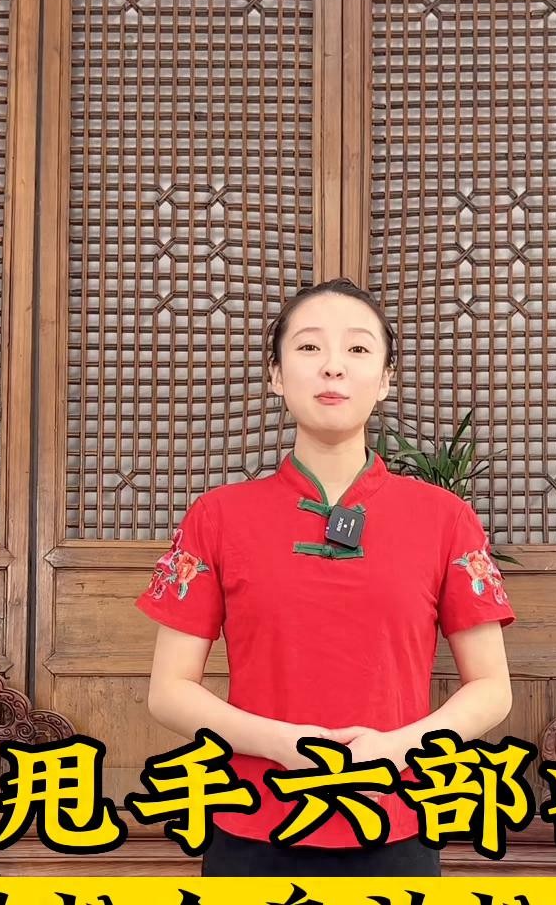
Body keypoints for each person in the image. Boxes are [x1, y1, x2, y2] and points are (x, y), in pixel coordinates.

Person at [136, 277, 515, 876]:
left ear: (385, 379)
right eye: (309, 347)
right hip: (252, 822)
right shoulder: (217, 516)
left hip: (396, 819)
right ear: (276, 374)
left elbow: (492, 688)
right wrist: (283, 745)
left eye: (358, 349)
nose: (333, 366)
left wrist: (395, 749)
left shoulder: (446, 518)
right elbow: (169, 691)